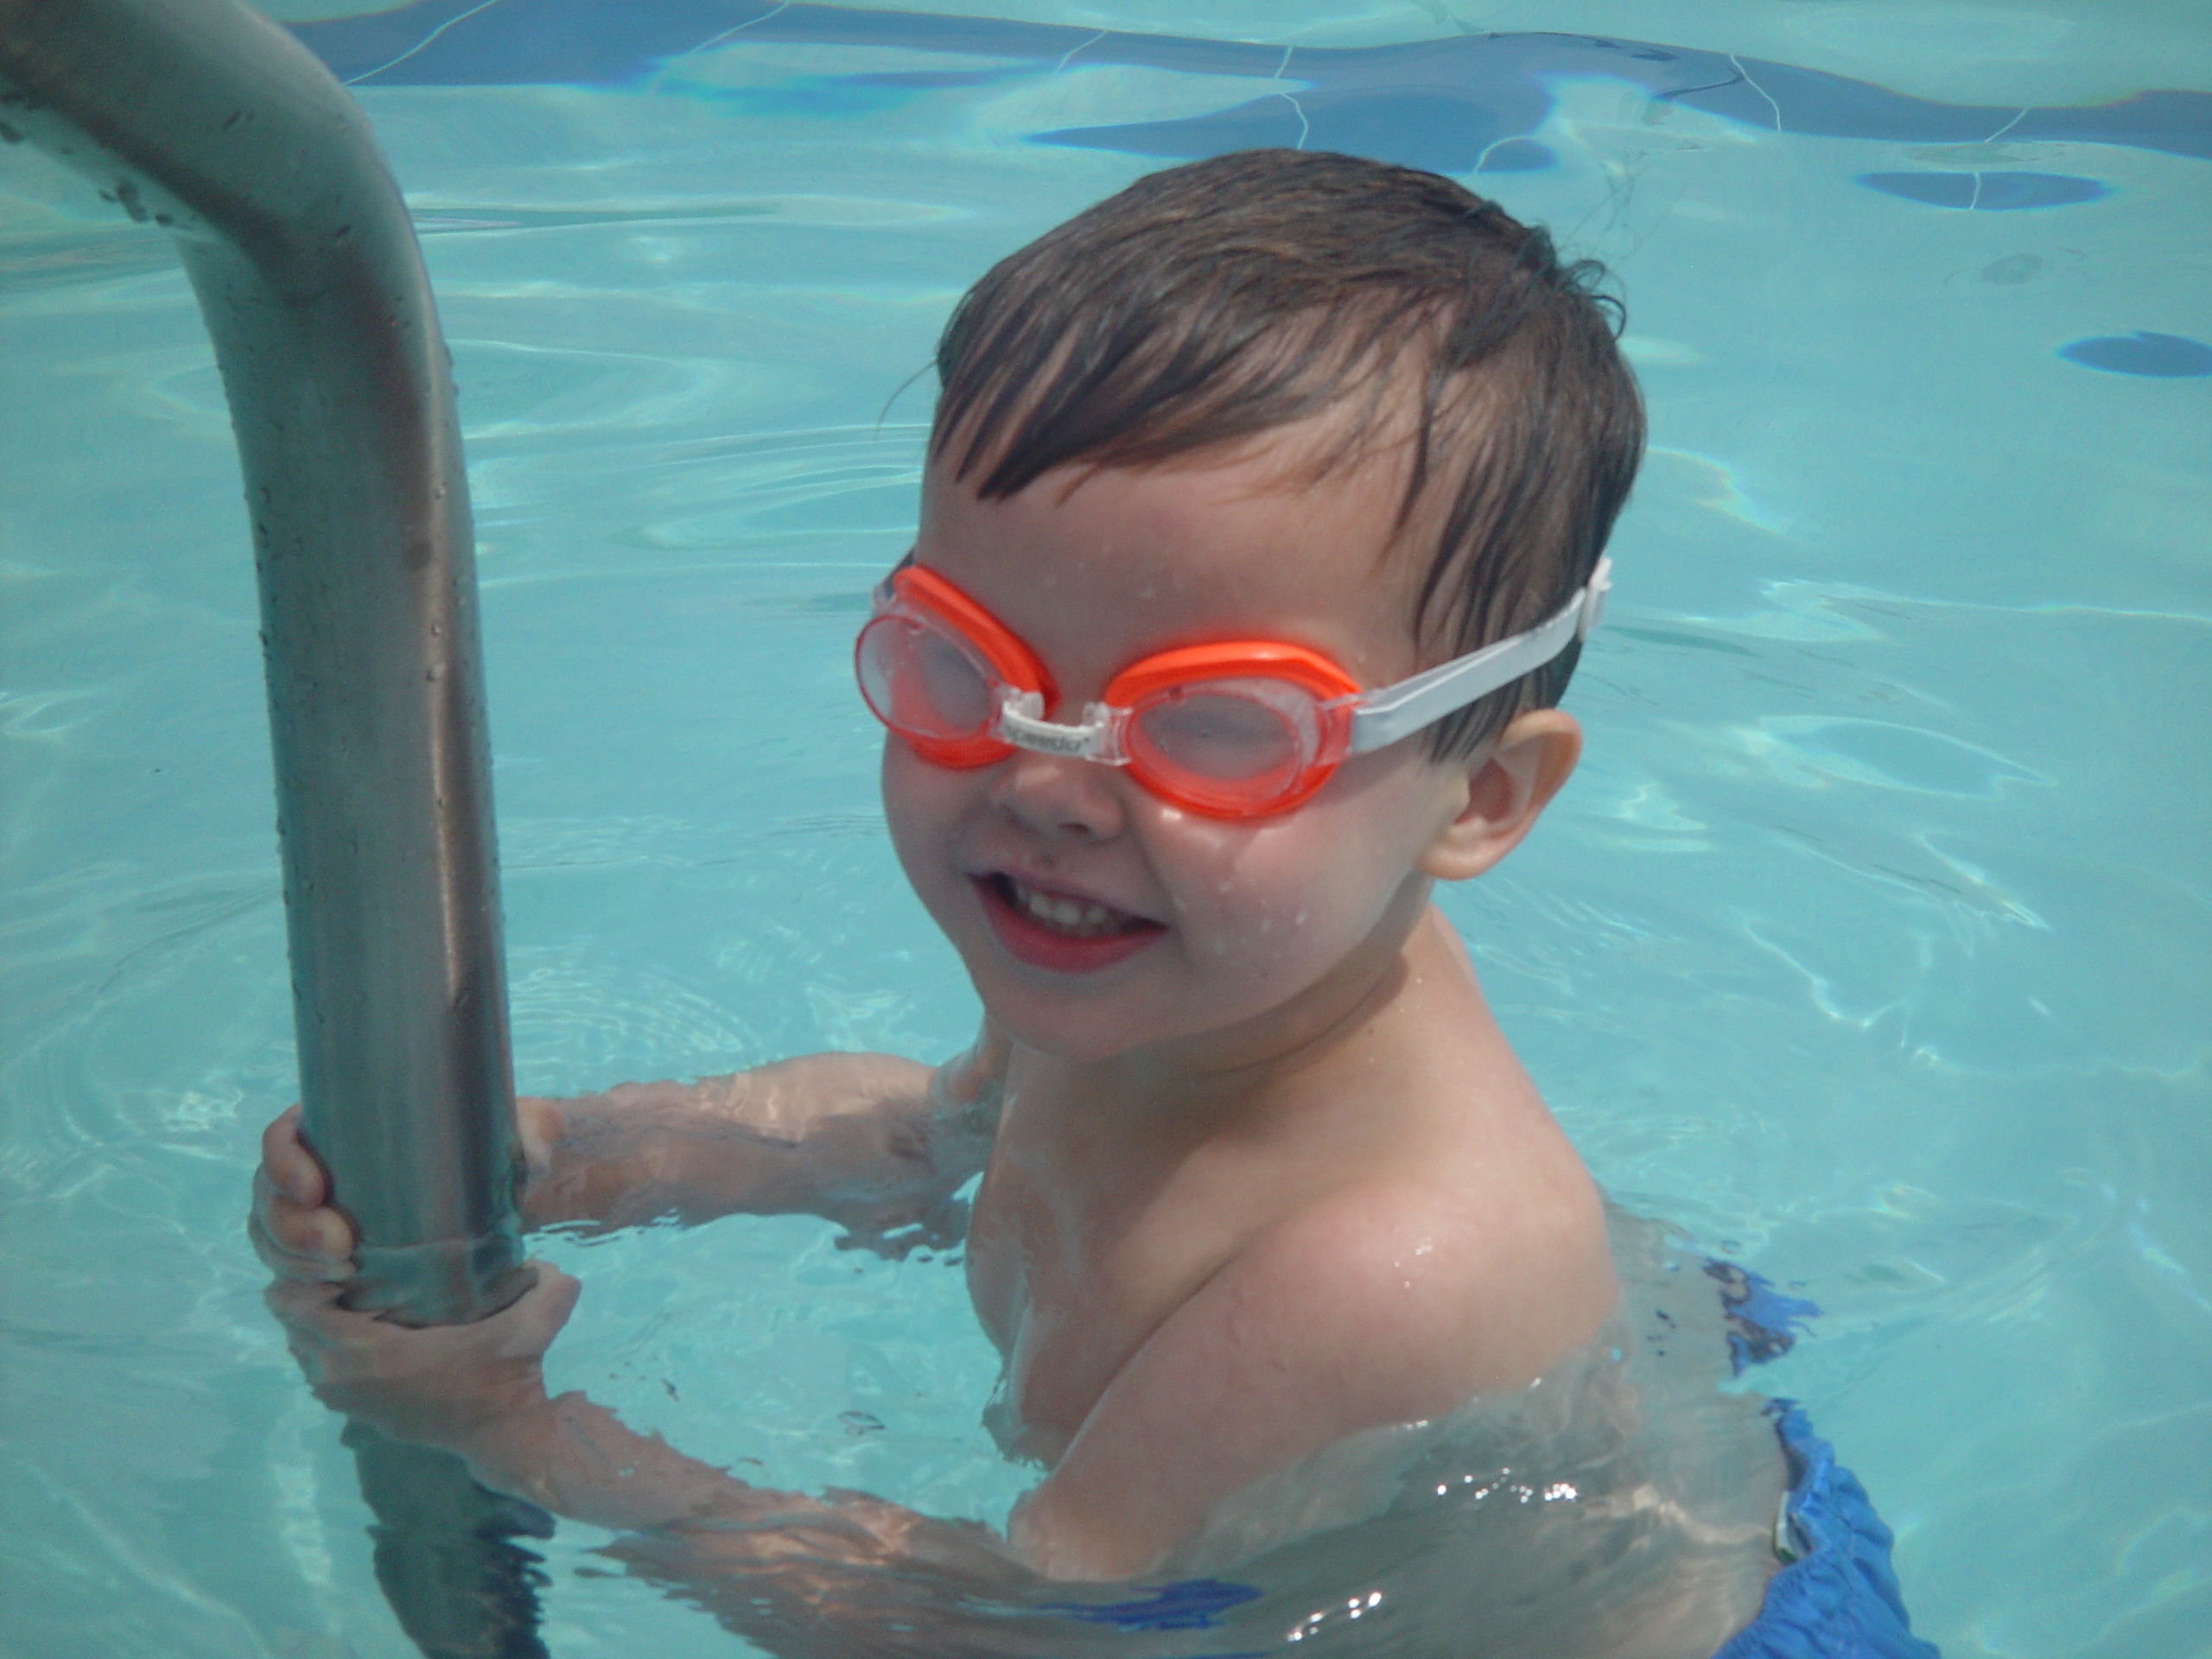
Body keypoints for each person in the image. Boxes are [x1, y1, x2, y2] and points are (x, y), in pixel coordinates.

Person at [254, 151, 1928, 1657]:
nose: (1047, 784)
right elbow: (926, 1141)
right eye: (964, 671)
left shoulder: (1366, 1278)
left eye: (1214, 725)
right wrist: (556, 1163)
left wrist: (507, 1426)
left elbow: (998, 1632)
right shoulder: (1151, 956)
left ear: (1477, 798)